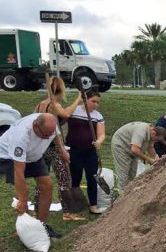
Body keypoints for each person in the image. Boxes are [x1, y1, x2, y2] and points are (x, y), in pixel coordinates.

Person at [0, 113, 62, 238]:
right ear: (35, 126)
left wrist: (62, 150)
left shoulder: (50, 125)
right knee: (22, 192)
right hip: (9, 156)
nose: (47, 138)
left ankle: (41, 226)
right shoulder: (20, 136)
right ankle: (25, 230)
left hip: (34, 155)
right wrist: (22, 201)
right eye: (45, 135)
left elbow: (56, 135)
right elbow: (19, 173)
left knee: (47, 185)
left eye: (50, 134)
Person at [33, 76, 86, 221]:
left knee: (41, 179)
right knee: (64, 179)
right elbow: (66, 114)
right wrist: (78, 100)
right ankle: (67, 212)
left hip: (41, 147)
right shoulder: (53, 104)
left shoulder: (40, 104)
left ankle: (36, 209)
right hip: (53, 147)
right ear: (61, 90)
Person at [66, 91, 105, 214]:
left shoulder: (97, 116)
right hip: (74, 150)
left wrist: (99, 141)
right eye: (93, 101)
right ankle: (73, 204)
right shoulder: (74, 111)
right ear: (85, 99)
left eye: (98, 102)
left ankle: (93, 206)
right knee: (75, 177)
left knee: (92, 178)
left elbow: (101, 134)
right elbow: (62, 117)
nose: (96, 104)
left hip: (90, 152)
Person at [111, 122, 165, 192]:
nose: (156, 141)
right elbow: (135, 149)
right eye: (156, 139)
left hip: (132, 150)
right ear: (154, 133)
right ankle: (120, 194)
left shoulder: (151, 134)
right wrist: (149, 160)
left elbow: (150, 147)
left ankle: (128, 194)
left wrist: (156, 158)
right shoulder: (141, 132)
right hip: (121, 146)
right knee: (124, 174)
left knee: (132, 174)